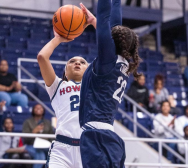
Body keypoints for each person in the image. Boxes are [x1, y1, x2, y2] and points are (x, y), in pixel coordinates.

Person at [79, 0, 141, 167]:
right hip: (109, 137)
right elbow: (113, 20)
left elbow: (105, 17)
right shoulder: (123, 63)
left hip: (96, 136)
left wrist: (97, 20)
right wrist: (93, 22)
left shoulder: (108, 59)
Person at [37, 3, 96, 168]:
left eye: (82, 62)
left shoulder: (95, 86)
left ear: (89, 70)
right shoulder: (57, 85)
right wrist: (59, 38)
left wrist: (94, 22)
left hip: (89, 147)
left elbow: (114, 52)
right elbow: (42, 57)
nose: (77, 63)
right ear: (65, 70)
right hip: (62, 148)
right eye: (72, 61)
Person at [0, 101, 31, 168]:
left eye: (10, 123)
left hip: (16, 153)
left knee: (26, 156)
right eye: (7, 123)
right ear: (4, 125)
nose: (9, 125)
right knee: (15, 156)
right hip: (4, 155)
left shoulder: (16, 135)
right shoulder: (0, 133)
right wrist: (0, 110)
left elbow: (20, 146)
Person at [22, 104, 54, 168]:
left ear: (43, 110)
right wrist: (34, 132)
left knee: (50, 153)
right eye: (36, 107)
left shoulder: (48, 122)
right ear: (33, 110)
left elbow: (52, 136)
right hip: (32, 145)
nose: (38, 109)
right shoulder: (28, 122)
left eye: (40, 107)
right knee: (41, 155)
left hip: (46, 146)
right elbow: (25, 138)